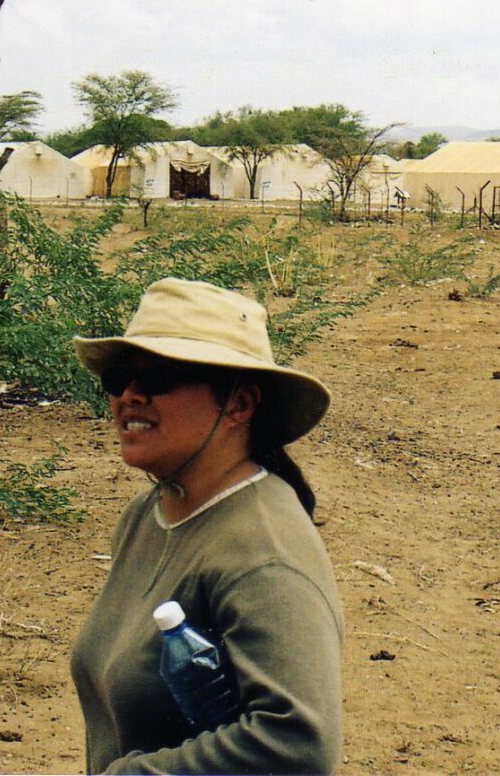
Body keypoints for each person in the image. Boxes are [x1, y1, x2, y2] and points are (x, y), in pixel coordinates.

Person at [69, 277, 343, 776]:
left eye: (158, 378)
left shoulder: (264, 552)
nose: (129, 396)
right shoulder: (148, 515)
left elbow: (298, 743)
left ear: (239, 405)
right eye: (118, 379)